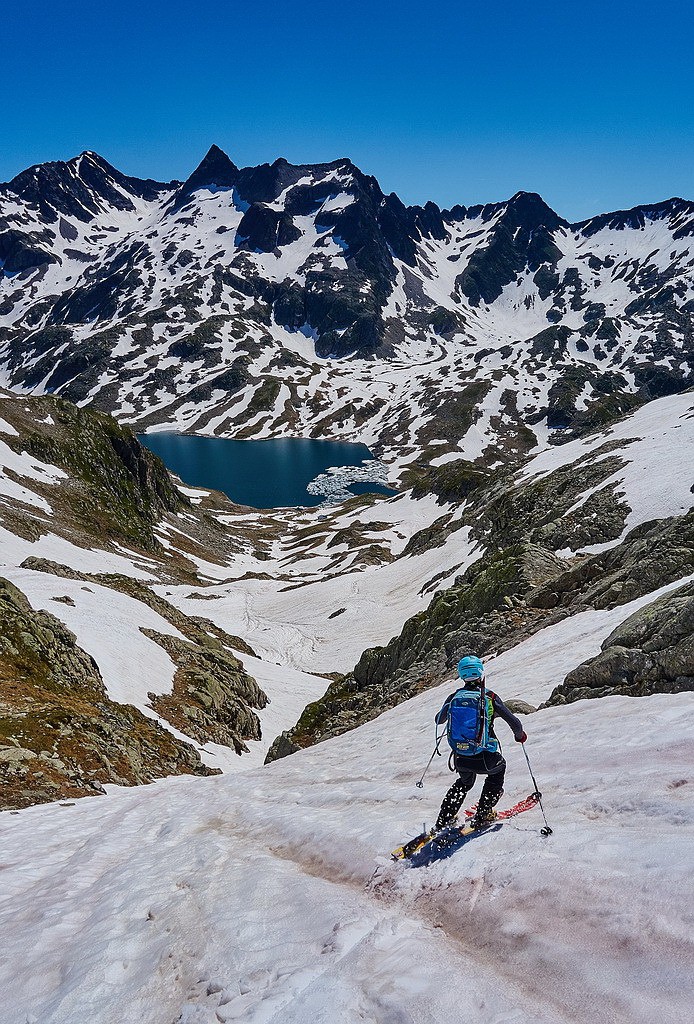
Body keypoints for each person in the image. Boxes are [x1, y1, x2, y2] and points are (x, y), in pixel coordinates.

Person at [435, 654, 527, 831]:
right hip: (485, 757)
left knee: (465, 782)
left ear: (462, 676)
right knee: (498, 770)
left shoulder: (454, 697)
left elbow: (438, 720)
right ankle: (484, 812)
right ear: (480, 673)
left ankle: (444, 818)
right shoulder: (489, 697)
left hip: (460, 757)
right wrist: (519, 736)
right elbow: (514, 722)